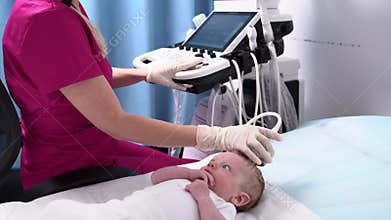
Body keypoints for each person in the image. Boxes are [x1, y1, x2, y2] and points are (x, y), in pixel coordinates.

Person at [2, 0, 282, 190]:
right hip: (72, 163)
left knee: (197, 168)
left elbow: (81, 78)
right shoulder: (48, 19)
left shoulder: (57, 6)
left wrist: (146, 74)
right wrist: (217, 136)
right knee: (207, 184)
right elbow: (116, 122)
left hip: (86, 146)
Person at [39, 152, 264, 220]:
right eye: (213, 161)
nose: (212, 164)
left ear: (239, 198)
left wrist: (203, 197)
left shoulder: (221, 206)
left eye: (225, 168)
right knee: (60, 210)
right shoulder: (188, 179)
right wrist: (187, 172)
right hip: (126, 209)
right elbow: (156, 178)